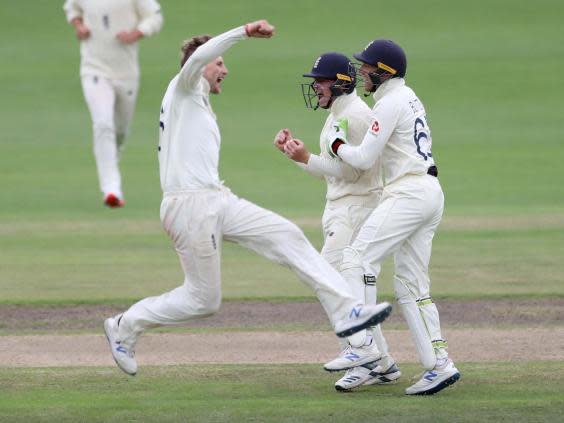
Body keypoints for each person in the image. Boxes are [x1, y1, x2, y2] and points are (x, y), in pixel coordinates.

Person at [103, 21, 392, 377]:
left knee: (287, 235)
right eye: (219, 63)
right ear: (199, 63)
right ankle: (125, 326)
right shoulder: (183, 87)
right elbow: (201, 56)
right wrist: (244, 31)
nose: (225, 68)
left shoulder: (197, 101)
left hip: (216, 199)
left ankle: (348, 312)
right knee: (203, 300)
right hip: (189, 207)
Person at [325, 39, 461, 395]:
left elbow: (364, 158)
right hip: (430, 192)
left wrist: (337, 145)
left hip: (409, 193)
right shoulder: (410, 96)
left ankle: (363, 348)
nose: (362, 73)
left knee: (355, 259)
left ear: (384, 72)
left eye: (367, 67)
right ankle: (439, 364)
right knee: (410, 286)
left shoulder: (389, 102)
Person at [274, 52, 400, 392]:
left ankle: (363, 353)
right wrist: (297, 158)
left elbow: (357, 171)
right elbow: (334, 177)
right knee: (341, 285)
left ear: (342, 82)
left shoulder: (357, 115)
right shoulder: (338, 114)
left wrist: (308, 158)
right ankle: (381, 363)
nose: (316, 87)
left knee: (330, 280)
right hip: (343, 208)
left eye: (321, 80)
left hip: (359, 209)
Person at [63, 0, 163, 207]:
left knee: (119, 130)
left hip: (126, 73)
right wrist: (78, 25)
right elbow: (71, 7)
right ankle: (111, 189)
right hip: (94, 68)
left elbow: (155, 17)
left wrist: (136, 33)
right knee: (103, 125)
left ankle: (112, 157)